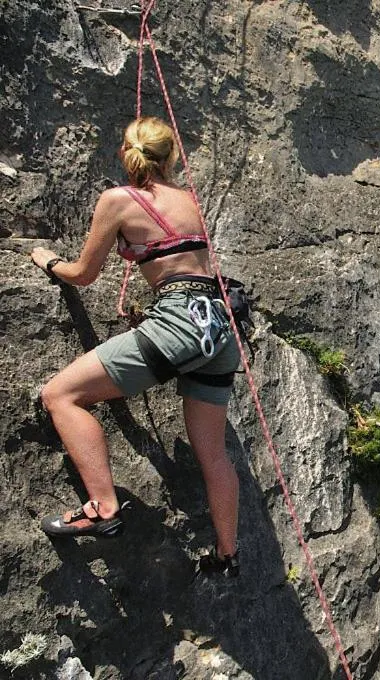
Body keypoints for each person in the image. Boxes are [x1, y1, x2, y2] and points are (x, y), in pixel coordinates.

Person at [30, 117, 241, 576]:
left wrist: (50, 263)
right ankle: (227, 554)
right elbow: (184, 264)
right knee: (214, 453)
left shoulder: (117, 200)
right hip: (218, 327)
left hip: (179, 322)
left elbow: (84, 274)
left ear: (125, 153)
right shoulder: (190, 200)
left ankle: (103, 508)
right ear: (170, 158)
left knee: (60, 395)